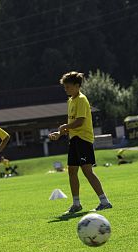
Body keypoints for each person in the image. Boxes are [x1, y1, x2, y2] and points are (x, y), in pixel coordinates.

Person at [48, 71, 112, 214]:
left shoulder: (82, 99)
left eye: (68, 87)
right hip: (74, 140)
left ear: (77, 86)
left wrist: (65, 127)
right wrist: (60, 133)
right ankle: (76, 204)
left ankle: (104, 201)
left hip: (83, 139)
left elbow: (80, 121)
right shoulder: (70, 100)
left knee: (87, 171)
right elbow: (72, 123)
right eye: (65, 87)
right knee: (71, 171)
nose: (66, 90)